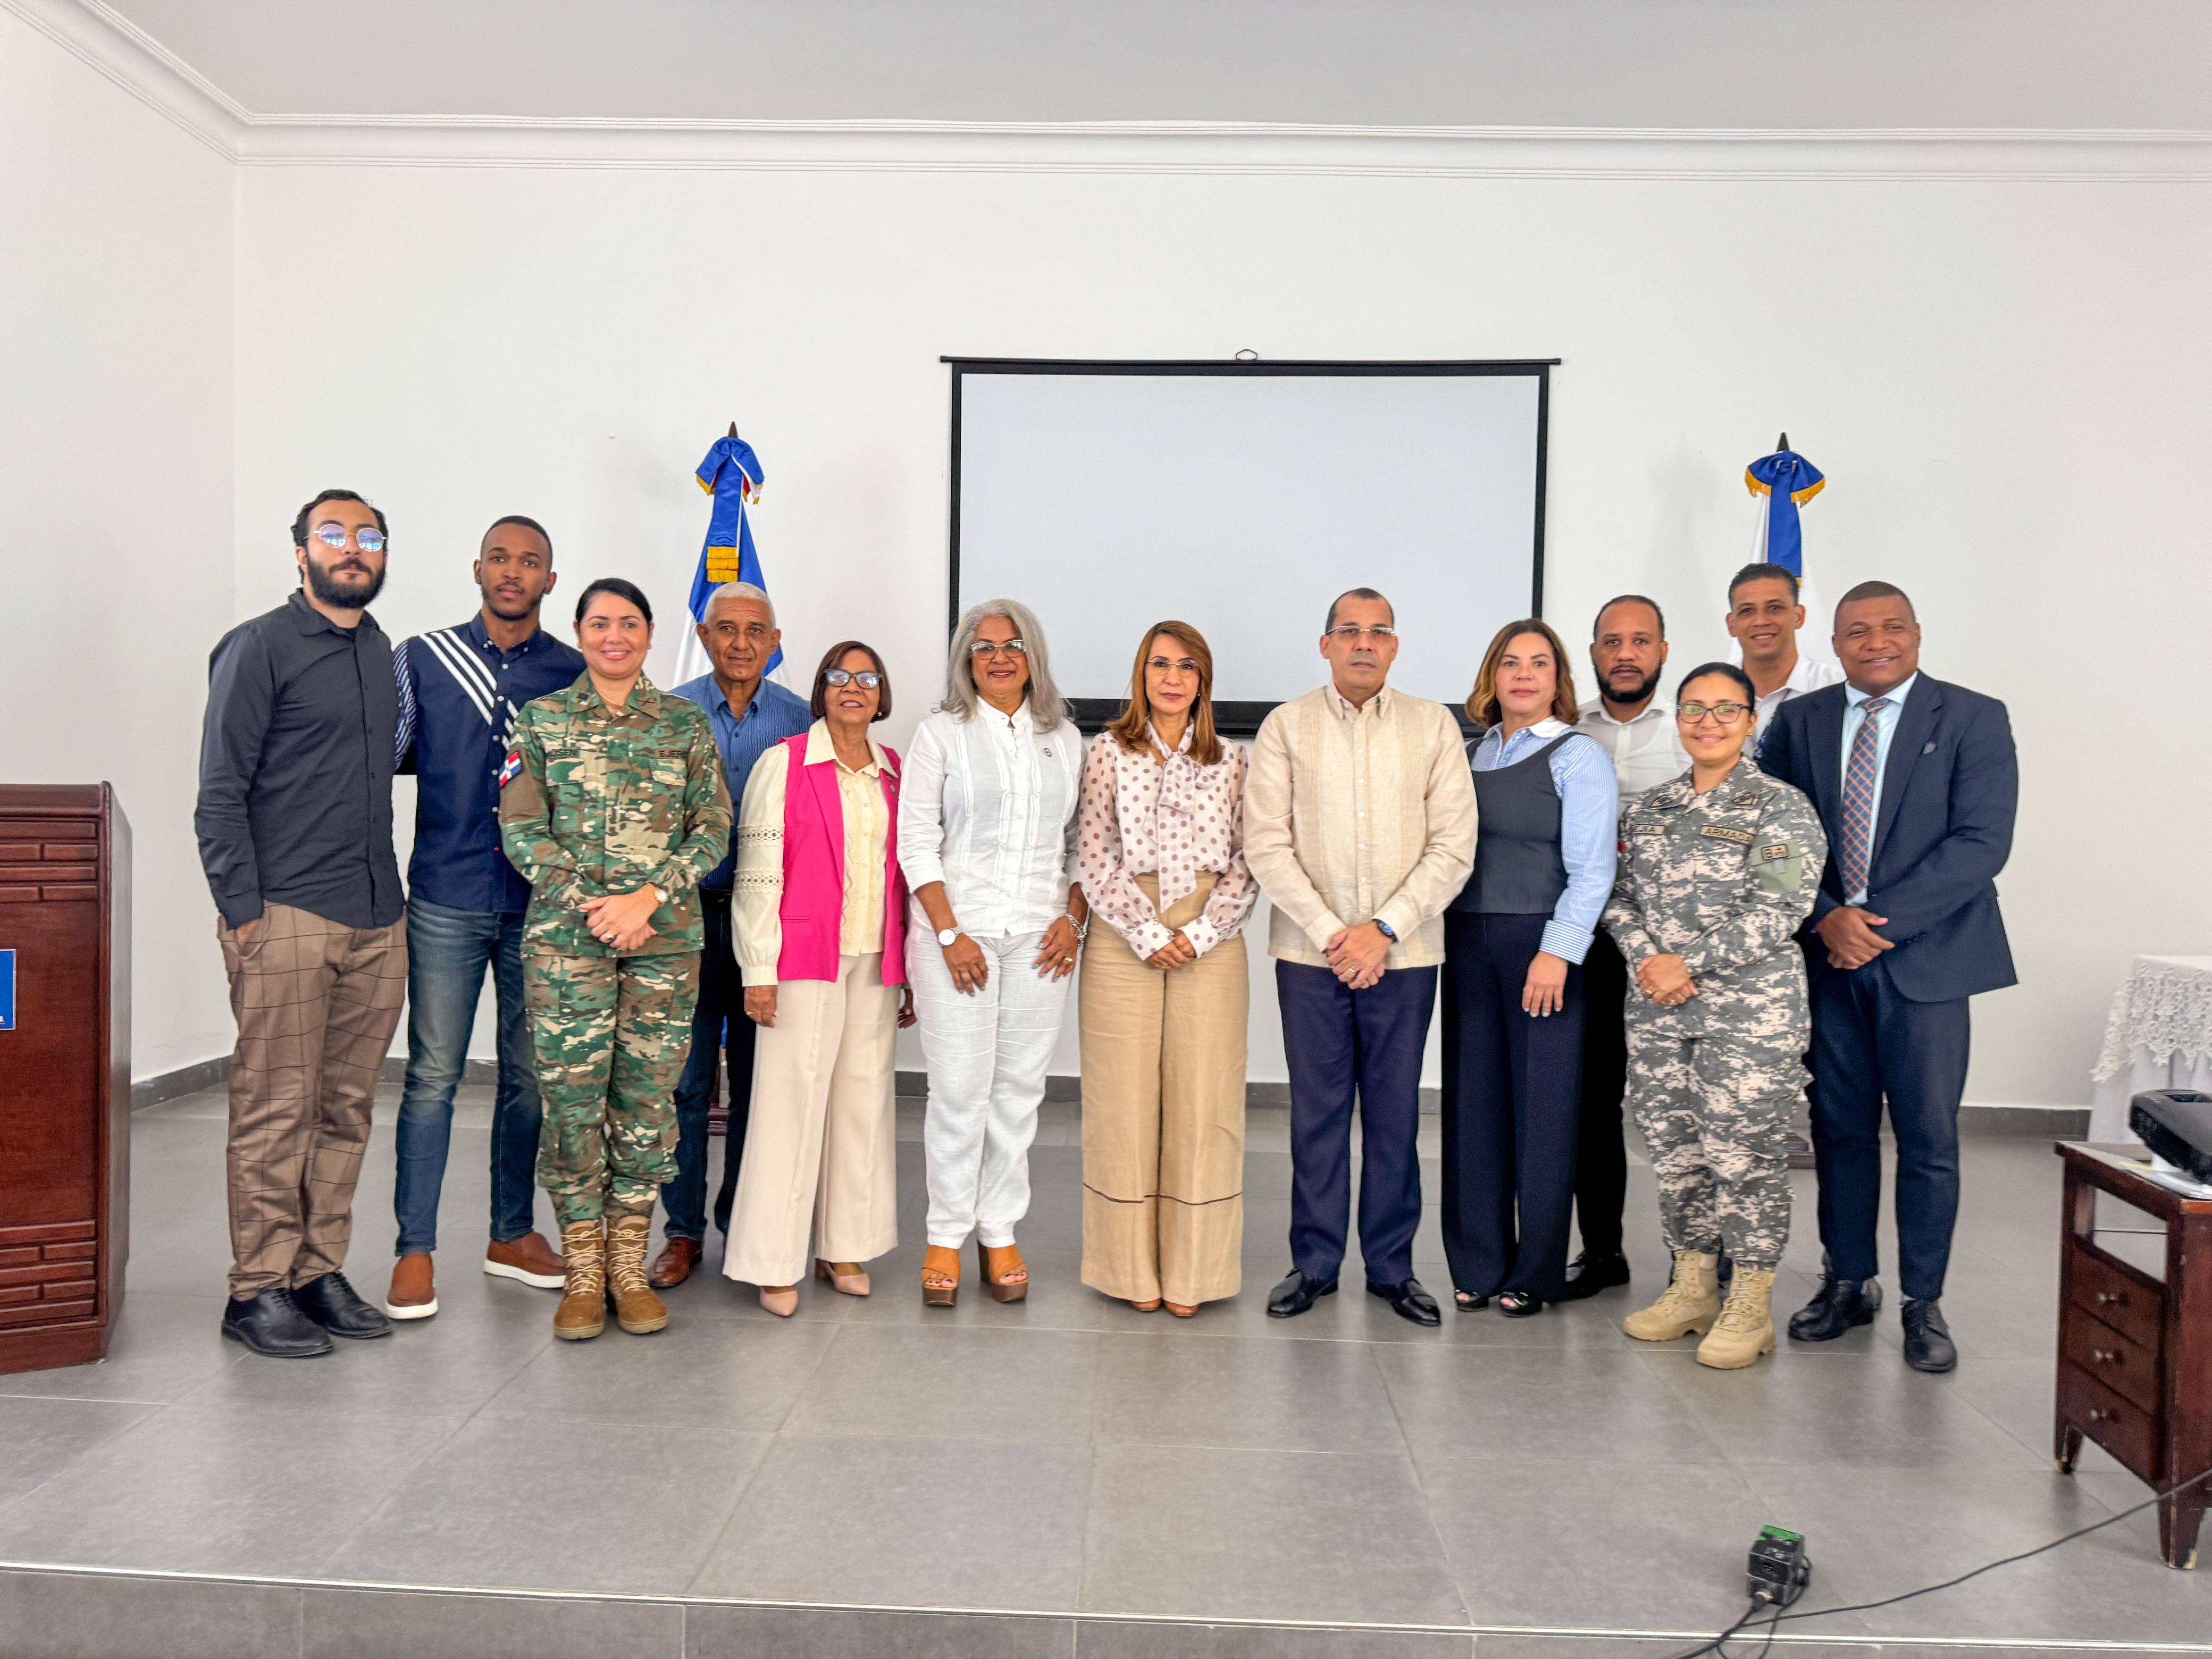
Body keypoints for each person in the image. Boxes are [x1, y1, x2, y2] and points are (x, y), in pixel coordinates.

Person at [1759, 582, 2017, 1373]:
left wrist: (1875, 927)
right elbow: (1772, 837)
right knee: (1838, 1131)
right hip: (1828, 962)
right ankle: (1848, 1282)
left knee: (1929, 1139)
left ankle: (1923, 1302)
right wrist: (1826, 915)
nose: (1876, 642)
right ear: (1832, 644)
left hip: (1929, 963)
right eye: (1856, 632)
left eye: (1891, 628)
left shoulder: (1973, 716)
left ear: (1915, 634)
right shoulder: (1798, 723)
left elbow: (1980, 844)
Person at [196, 489, 408, 1358]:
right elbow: (219, 793)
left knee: (345, 1106)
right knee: (276, 1105)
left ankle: (317, 1272)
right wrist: (243, 914)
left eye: (368, 537)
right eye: (334, 534)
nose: (352, 549)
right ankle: (256, 1290)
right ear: (300, 552)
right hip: (285, 912)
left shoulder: (377, 650)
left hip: (373, 915)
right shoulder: (259, 647)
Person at [499, 578, 730, 1341]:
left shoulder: (685, 724)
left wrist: (647, 900)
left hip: (664, 946)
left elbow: (712, 828)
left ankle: (629, 1264)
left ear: (651, 633)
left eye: (629, 624)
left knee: (645, 1107)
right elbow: (523, 831)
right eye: (599, 624)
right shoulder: (542, 721)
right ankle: (584, 1265)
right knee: (571, 1107)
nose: (614, 637)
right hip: (569, 947)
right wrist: (598, 908)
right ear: (579, 630)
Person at [1245, 588, 1477, 1327]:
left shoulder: (1433, 724)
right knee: (1316, 1115)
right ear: (1326, 645)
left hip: (1404, 958)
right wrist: (1333, 933)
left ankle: (1390, 1267)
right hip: (1309, 957)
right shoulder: (1286, 726)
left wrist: (1384, 928)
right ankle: (1314, 1263)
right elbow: (1266, 845)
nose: (1364, 644)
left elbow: (1453, 845)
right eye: (1349, 631)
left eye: (1379, 632)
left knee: (1393, 1115)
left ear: (1396, 646)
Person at [384, 515, 584, 1321]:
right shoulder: (425, 659)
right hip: (445, 894)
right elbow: (384, 760)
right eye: (500, 558)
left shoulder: (572, 673)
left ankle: (511, 1235)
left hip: (539, 904)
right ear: (477, 568)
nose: (513, 572)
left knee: (530, 1077)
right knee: (432, 1076)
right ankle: (414, 1252)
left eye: (529, 562)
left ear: (550, 581)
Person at [1608, 663, 1826, 1369]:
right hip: (1659, 1013)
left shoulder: (1780, 808)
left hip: (1749, 1017)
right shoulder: (1647, 811)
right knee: (1675, 1154)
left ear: (1751, 721)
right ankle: (1693, 1287)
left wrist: (1687, 965)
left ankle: (1750, 1305)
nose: (1708, 721)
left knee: (1746, 1157)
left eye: (1725, 710)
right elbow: (1616, 900)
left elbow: (1781, 907)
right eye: (1694, 709)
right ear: (1677, 719)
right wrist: (1650, 961)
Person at [900, 600, 1087, 1306]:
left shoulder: (1066, 739)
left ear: (1033, 657)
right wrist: (949, 934)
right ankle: (945, 1236)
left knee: (1017, 1091)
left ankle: (999, 1230)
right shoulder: (940, 735)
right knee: (958, 1092)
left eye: (1012, 647)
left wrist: (1074, 920)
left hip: (1041, 940)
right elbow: (917, 843)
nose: (999, 658)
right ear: (966, 660)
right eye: (984, 648)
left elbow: (1081, 849)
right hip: (959, 938)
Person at [724, 642, 914, 1315]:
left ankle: (844, 1245)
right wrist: (758, 968)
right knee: (788, 1107)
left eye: (867, 677)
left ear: (881, 694)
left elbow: (907, 874)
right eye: (840, 677)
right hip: (800, 959)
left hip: (873, 963)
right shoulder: (785, 763)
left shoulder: (894, 770)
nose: (853, 687)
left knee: (861, 1106)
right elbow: (757, 876)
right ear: (821, 690)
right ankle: (773, 1259)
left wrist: (910, 968)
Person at [1076, 622, 1258, 1316]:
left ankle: (1195, 1274)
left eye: (1187, 666)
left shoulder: (1233, 761)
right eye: (1160, 665)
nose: (1172, 678)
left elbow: (1249, 861)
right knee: (1122, 1101)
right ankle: (1128, 1272)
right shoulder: (1106, 753)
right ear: (1141, 674)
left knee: (1204, 1102)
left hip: (1213, 931)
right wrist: (1150, 931)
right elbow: (1092, 855)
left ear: (1203, 680)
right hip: (1126, 931)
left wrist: (1202, 931)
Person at [1441, 621, 1616, 1318]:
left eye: (1539, 663)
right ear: (1492, 675)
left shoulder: (1578, 756)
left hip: (1541, 950)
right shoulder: (1468, 754)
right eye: (1509, 662)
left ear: (1557, 679)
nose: (1523, 674)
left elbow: (1594, 867)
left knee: (1542, 1111)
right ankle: (1478, 1263)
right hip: (1466, 945)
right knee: (1472, 1106)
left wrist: (1559, 949)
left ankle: (1535, 1270)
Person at [651, 582, 811, 1288]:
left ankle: (740, 1222)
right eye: (726, 629)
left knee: (758, 1084)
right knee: (684, 1087)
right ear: (705, 634)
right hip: (683, 922)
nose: (741, 642)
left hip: (766, 932)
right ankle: (682, 1233)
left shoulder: (803, 720)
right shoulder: (669, 712)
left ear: (776, 643)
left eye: (756, 630)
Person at [1561, 594, 1690, 1302]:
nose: (1626, 653)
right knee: (1595, 1101)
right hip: (1597, 945)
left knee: (1682, 1105)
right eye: (1612, 641)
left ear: (1662, 650)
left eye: (1641, 640)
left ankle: (1695, 1261)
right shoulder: (1567, 731)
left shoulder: (1695, 727)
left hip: (1679, 953)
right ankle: (1603, 1251)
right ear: (1594, 654)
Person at [1723, 561, 1843, 745]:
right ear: (1732, 624)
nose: (1761, 621)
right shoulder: (1712, 694)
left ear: (1798, 617)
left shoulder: (1837, 691)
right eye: (1747, 611)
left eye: (1775, 608)